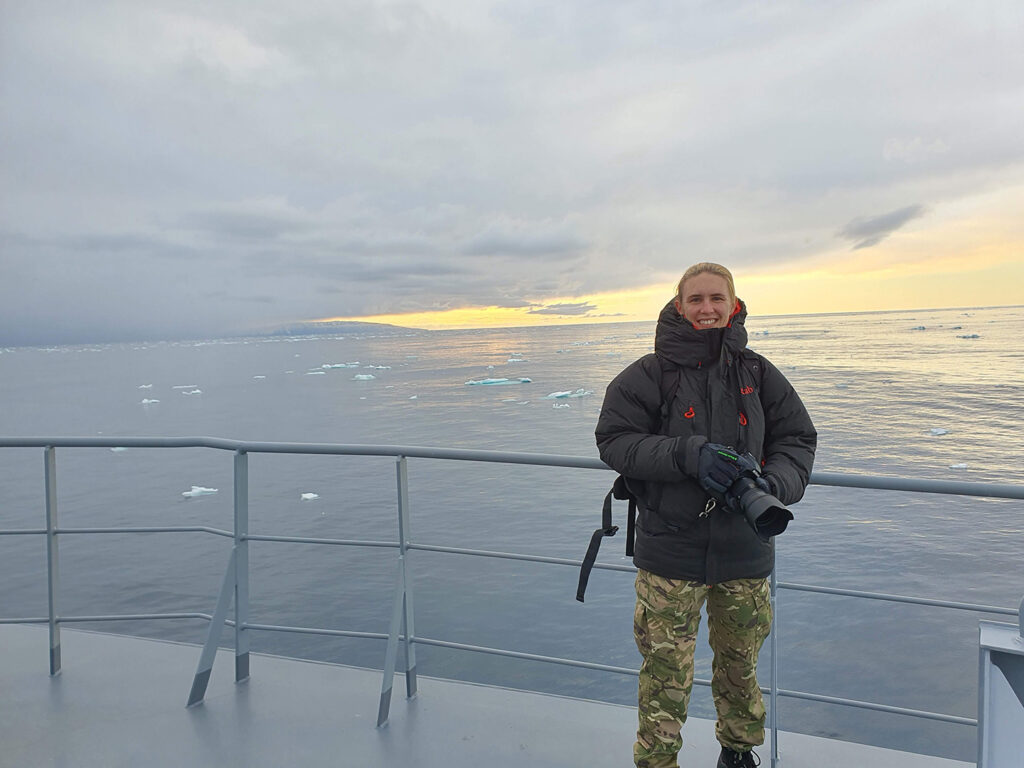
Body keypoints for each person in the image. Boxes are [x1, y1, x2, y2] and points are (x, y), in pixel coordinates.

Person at [595, 263, 816, 768]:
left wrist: (771, 485)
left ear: (734, 305)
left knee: (741, 664)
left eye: (717, 299)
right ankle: (657, 762)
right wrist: (686, 455)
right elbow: (615, 440)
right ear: (679, 306)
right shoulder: (647, 375)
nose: (707, 309)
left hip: (745, 546)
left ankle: (738, 754)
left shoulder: (759, 373)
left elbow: (797, 440)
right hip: (669, 552)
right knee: (665, 671)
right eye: (696, 300)